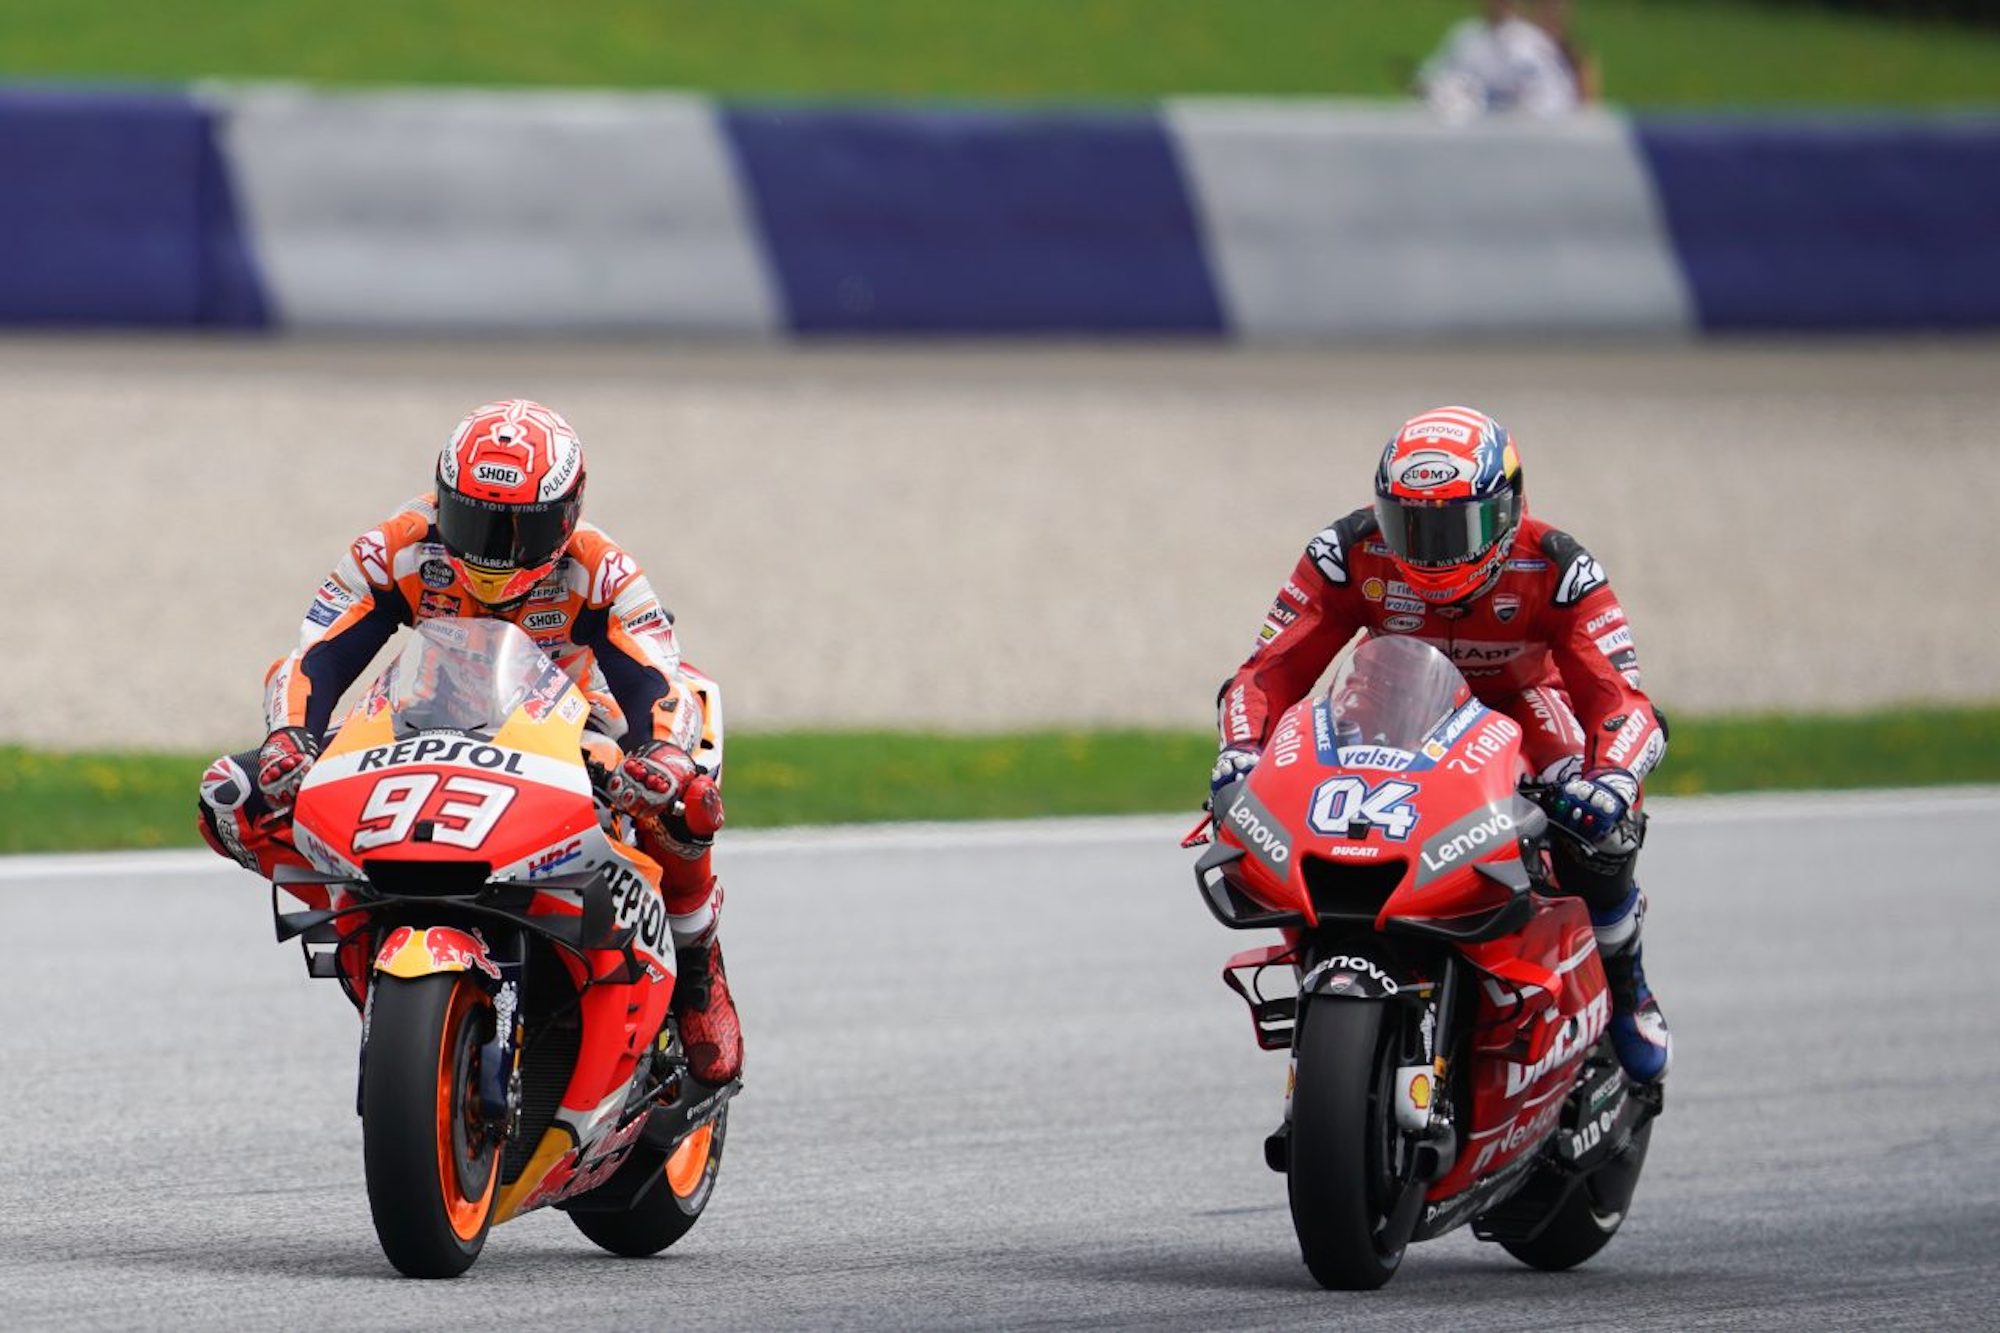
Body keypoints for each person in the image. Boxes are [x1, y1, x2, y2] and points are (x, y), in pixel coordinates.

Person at [197, 399, 742, 1086]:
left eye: (519, 528)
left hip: (568, 733)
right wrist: (289, 737)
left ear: (566, 516)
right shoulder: (399, 543)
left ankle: (697, 962)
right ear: (442, 494)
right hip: (420, 725)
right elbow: (316, 652)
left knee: (685, 801)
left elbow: (657, 675)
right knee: (233, 797)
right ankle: (359, 914)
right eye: (473, 518)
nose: (490, 549)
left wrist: (661, 751)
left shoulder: (601, 569)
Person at [1211, 406, 1669, 1083]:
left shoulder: (1560, 566)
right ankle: (1325, 955)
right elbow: (1266, 673)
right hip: (1395, 700)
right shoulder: (1347, 552)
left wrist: (1610, 782)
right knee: (1296, 801)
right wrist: (1242, 750)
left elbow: (1623, 703)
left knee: (1600, 832)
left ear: (1508, 509)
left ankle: (1625, 982)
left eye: (1455, 528)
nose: (1430, 551)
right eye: (1411, 527)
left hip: (1523, 709)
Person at [1415, 0, 1580, 120]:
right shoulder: (1465, 38)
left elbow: (1555, 94)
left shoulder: (1532, 42)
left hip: (1522, 136)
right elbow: (1433, 77)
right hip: (1472, 134)